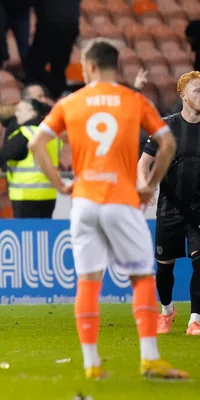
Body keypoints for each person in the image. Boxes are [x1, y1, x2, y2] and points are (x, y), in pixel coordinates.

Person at [28, 38, 187, 379]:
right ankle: (149, 358)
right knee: (142, 277)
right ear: (116, 67)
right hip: (120, 199)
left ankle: (91, 364)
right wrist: (148, 184)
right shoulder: (134, 100)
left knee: (87, 282)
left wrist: (60, 184)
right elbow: (168, 142)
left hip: (83, 201)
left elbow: (36, 143)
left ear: (88, 66)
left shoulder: (71, 102)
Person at [137, 71, 200, 336]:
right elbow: (144, 163)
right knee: (164, 269)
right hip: (169, 207)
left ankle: (195, 319)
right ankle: (167, 311)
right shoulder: (166, 127)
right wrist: (144, 184)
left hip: (198, 211)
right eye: (197, 90)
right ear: (183, 95)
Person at [0, 99, 58, 218]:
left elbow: (5, 155)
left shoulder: (26, 133)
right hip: (48, 194)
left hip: (26, 194)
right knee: (44, 232)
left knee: (27, 232)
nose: (16, 114)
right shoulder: (50, 135)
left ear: (32, 113)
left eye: (20, 110)